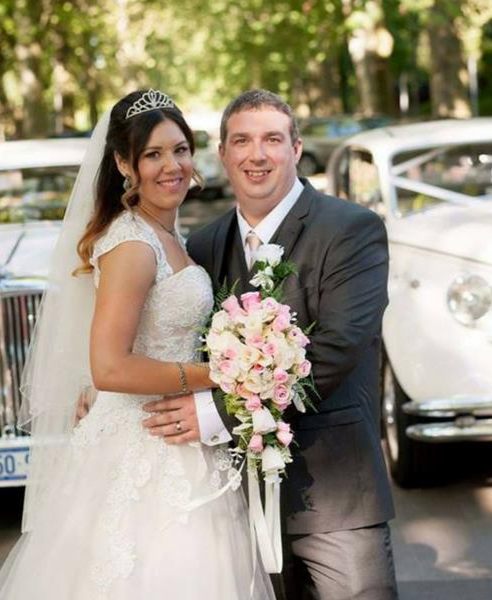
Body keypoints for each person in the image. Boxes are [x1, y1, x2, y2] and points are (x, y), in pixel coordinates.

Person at [0, 89, 274, 599]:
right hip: (142, 449)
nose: (173, 166)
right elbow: (111, 369)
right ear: (124, 163)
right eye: (153, 154)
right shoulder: (134, 244)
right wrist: (223, 372)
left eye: (180, 150)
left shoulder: (167, 235)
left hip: (180, 442)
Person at [154, 89, 396, 599]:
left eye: (271, 140)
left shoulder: (352, 229)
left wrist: (220, 411)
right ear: (221, 154)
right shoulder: (202, 244)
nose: (255, 154)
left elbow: (337, 347)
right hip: (233, 502)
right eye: (241, 140)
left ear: (296, 149)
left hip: (335, 497)